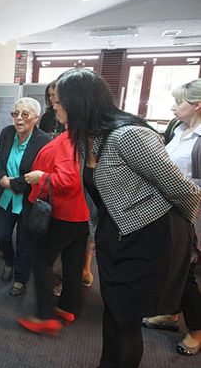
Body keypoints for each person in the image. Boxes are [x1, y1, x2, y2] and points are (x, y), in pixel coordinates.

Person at [56, 68, 201, 368]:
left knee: (125, 319)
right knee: (114, 312)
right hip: (115, 238)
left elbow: (184, 191)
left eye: (59, 101)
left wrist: (181, 232)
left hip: (149, 240)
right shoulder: (86, 139)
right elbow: (95, 197)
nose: (54, 107)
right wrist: (96, 237)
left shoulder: (128, 136)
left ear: (79, 102)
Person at [17, 92, 89, 335]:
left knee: (41, 258)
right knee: (73, 261)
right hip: (80, 213)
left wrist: (41, 176)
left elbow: (69, 179)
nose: (54, 107)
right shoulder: (81, 135)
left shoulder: (70, 140)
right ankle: (68, 307)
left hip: (63, 211)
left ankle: (45, 316)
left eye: (58, 102)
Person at [142, 78, 201, 356]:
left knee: (185, 273)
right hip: (165, 213)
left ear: (197, 105)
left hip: (188, 217)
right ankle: (169, 313)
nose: (173, 107)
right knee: (164, 266)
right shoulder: (178, 129)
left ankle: (197, 331)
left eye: (179, 103)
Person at [0, 97, 51, 295]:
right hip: (5, 196)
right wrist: (2, 179)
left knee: (25, 241)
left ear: (36, 118)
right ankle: (9, 260)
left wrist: (12, 183)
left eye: (25, 114)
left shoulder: (44, 141)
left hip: (29, 200)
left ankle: (21, 278)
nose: (18, 119)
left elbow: (38, 173)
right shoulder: (7, 133)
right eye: (15, 114)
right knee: (1, 234)